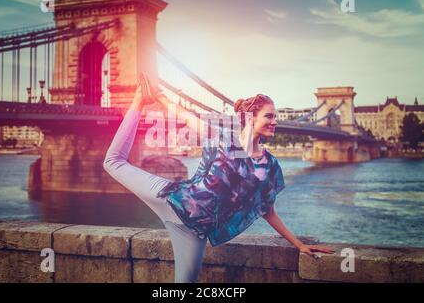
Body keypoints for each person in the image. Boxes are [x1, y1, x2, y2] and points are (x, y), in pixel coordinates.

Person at [103, 74, 334, 283]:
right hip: (170, 198)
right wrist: (154, 97)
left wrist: (299, 245)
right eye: (270, 116)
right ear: (251, 118)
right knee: (112, 162)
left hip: (193, 233)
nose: (275, 121)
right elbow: (183, 115)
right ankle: (137, 102)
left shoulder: (270, 166)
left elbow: (268, 211)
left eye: (276, 117)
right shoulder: (223, 138)